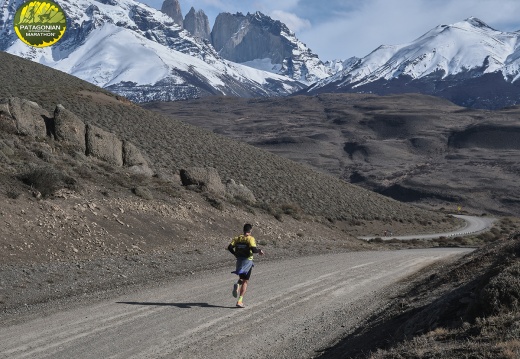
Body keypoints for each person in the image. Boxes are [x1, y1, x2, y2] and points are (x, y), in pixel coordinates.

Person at [227, 223, 264, 308]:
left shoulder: (237, 238)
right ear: (250, 230)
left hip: (239, 260)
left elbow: (229, 247)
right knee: (246, 281)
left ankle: (237, 285)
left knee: (241, 278)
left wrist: (235, 254)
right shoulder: (250, 238)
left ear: (244, 230)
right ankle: (240, 301)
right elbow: (253, 250)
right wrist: (260, 251)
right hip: (248, 261)